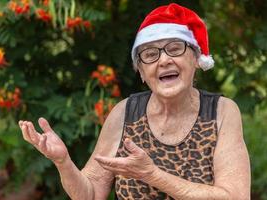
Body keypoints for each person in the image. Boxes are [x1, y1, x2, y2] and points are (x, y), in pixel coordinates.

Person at [19, 3, 250, 200]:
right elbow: (90, 194)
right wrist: (63, 162)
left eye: (175, 48)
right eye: (150, 54)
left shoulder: (221, 111)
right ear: (141, 71)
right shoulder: (125, 113)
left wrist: (152, 175)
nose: (164, 60)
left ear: (196, 59)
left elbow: (236, 196)